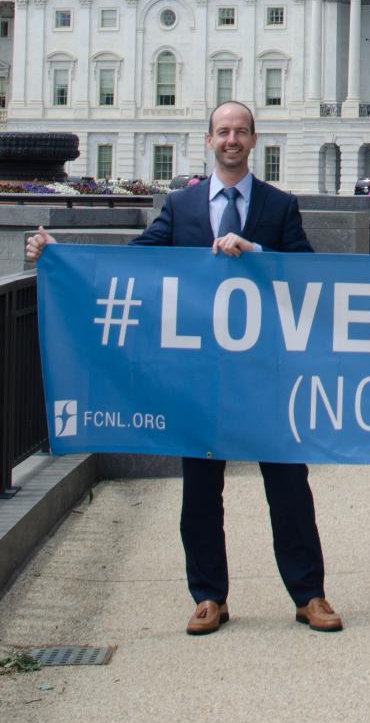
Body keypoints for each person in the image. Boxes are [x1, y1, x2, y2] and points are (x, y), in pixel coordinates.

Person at [26, 100, 342, 636]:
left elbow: (304, 274)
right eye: (223, 131)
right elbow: (134, 264)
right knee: (200, 491)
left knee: (289, 487)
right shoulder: (183, 207)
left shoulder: (278, 206)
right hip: (200, 379)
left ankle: (309, 594)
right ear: (209, 139)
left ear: (254, 139)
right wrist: (62, 255)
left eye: (241, 131)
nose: (232, 140)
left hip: (266, 374)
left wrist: (257, 252)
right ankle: (208, 597)